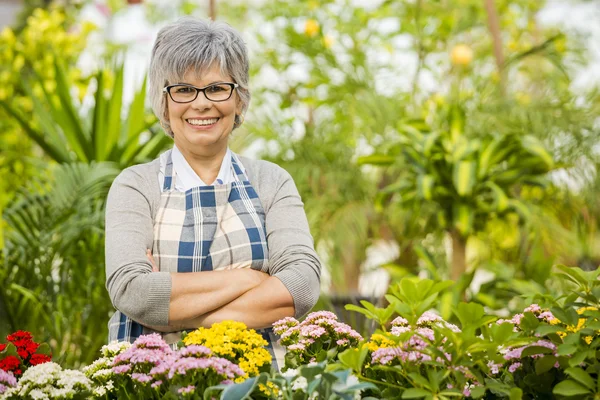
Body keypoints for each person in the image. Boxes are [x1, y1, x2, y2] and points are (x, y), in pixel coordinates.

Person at [104, 17, 322, 368]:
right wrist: (249, 279)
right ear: (164, 102)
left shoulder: (271, 181)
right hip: (152, 383)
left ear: (239, 98)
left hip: (255, 381)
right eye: (183, 89)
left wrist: (174, 315)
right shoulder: (135, 186)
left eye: (217, 88)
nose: (201, 103)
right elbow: (132, 291)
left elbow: (302, 285)